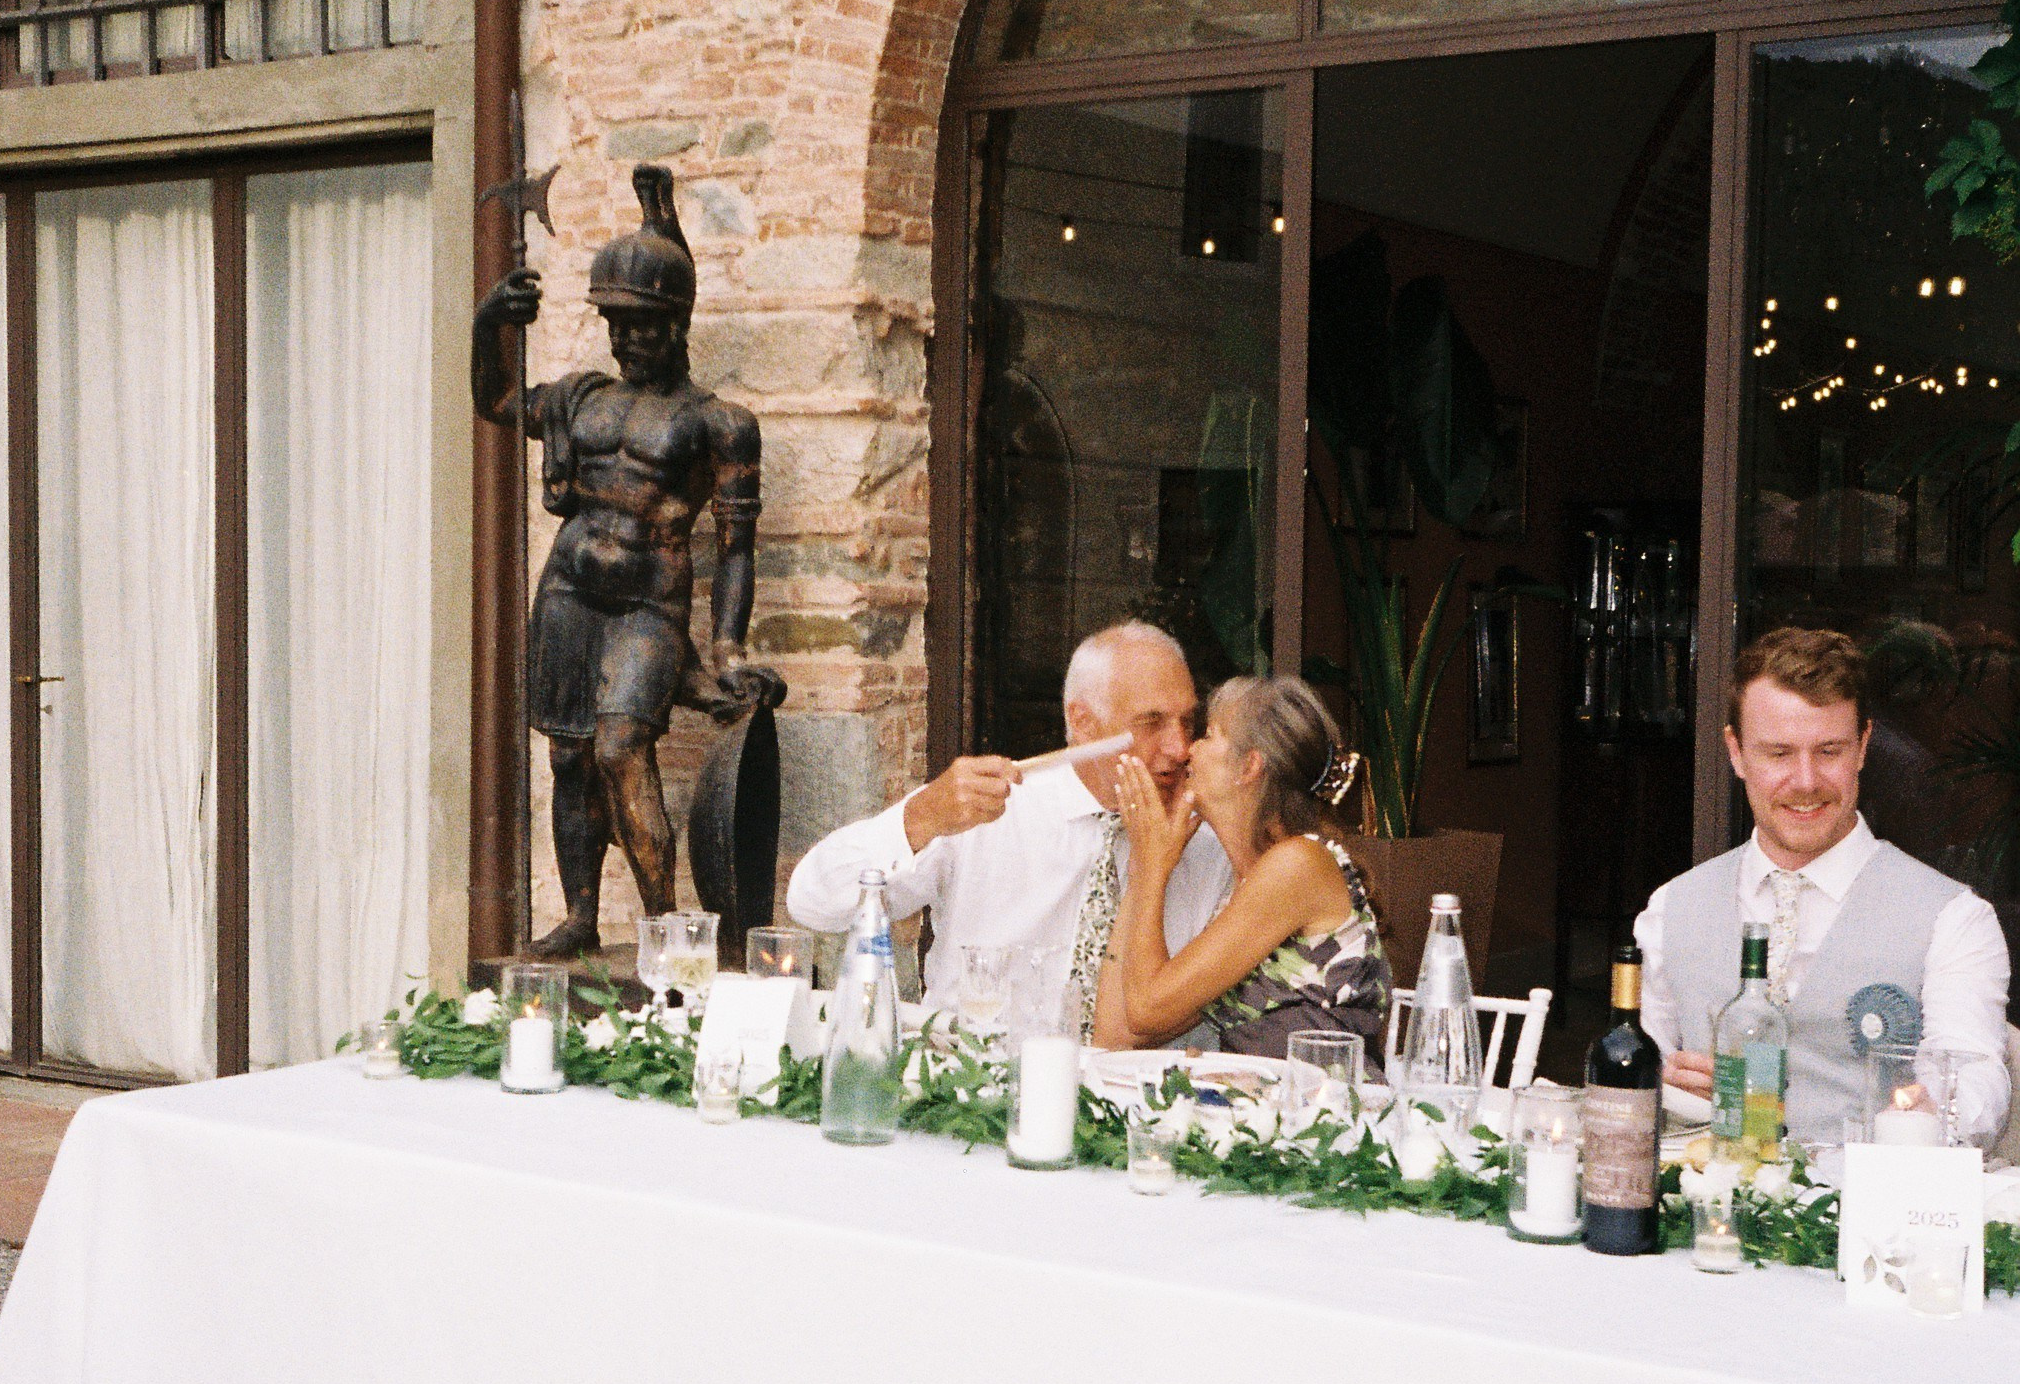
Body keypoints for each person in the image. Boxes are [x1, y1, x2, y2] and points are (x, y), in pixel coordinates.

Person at [470, 164, 782, 955]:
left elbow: (736, 548)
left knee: (619, 747)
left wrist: (728, 646)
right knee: (569, 758)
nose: (629, 338)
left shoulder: (720, 423)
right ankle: (580, 915)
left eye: (644, 324)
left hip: (650, 603)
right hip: (569, 591)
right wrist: (488, 325)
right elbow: (499, 403)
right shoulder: (581, 398)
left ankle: (664, 931)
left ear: (678, 322)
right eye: (617, 324)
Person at [1636, 623, 2011, 1148]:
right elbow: (1632, 1089)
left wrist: (1920, 1118)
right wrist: (1663, 1091)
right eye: (1779, 753)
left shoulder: (1954, 919)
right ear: (1737, 753)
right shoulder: (1670, 908)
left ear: (1863, 747)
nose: (1807, 781)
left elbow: (1976, 1093)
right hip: (1710, 1215)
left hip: (1871, 1218)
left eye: (1829, 750)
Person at [784, 620, 1232, 1009]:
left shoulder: (1210, 840)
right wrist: (920, 819)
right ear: (1084, 722)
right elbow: (813, 903)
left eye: (1188, 723)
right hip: (975, 1087)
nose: (1179, 748)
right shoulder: (992, 810)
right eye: (1150, 723)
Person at [1102, 675, 1390, 1055]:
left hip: (1319, 1108)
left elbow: (1145, 1010)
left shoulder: (1296, 866)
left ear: (1248, 767)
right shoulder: (1252, 882)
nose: (1188, 750)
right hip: (1267, 1107)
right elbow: (1117, 1033)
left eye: (1208, 734)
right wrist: (1146, 868)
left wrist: (1152, 868)